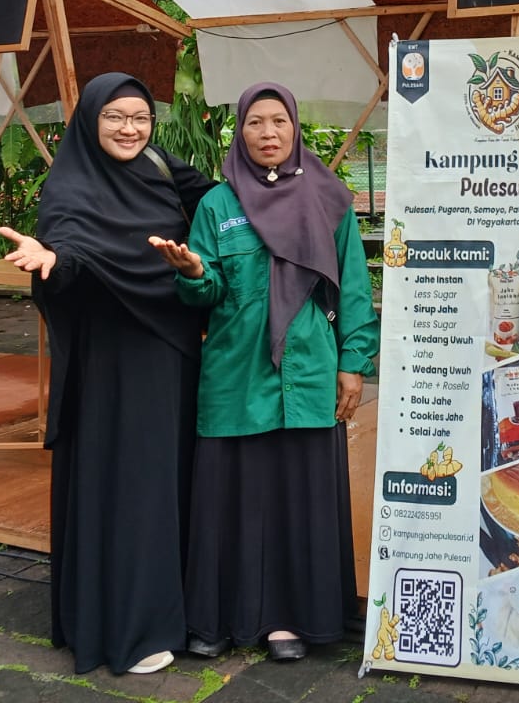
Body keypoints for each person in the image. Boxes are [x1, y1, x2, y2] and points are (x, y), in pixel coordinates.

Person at [151, 82, 379, 662]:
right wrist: (193, 273)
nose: (268, 133)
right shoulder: (217, 205)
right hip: (235, 372)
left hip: (308, 370)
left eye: (279, 121)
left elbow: (353, 287)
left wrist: (353, 363)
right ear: (241, 132)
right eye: (255, 122)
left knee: (299, 498)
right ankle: (220, 617)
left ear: (295, 128)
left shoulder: (329, 199)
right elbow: (207, 292)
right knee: (232, 498)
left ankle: (290, 620)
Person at [0, 72, 215, 676]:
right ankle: (129, 627)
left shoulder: (162, 169)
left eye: (140, 117)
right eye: (115, 116)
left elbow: (222, 201)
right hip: (112, 361)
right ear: (90, 120)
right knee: (127, 485)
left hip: (170, 352)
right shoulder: (71, 183)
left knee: (169, 482)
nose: (129, 128)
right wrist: (51, 258)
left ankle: (176, 608)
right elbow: (67, 246)